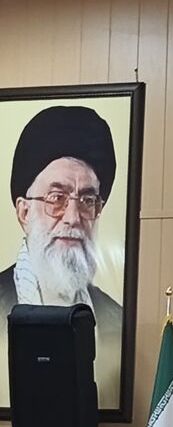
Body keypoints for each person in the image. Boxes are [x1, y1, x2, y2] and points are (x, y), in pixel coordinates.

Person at [1, 107, 123, 379]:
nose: (73, 217)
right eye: (57, 198)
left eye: (88, 200)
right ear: (24, 212)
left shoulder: (116, 319)